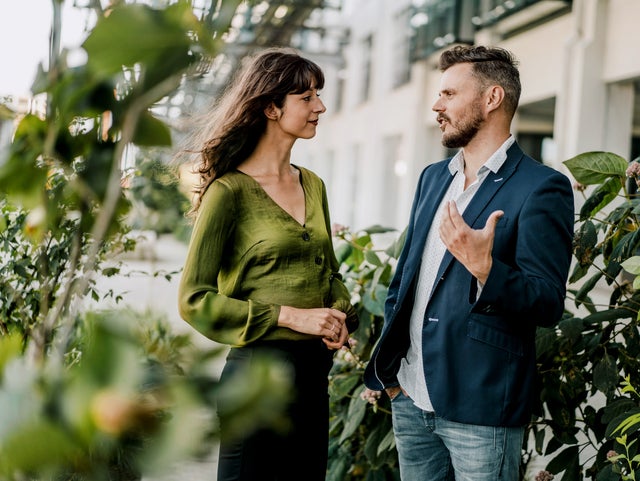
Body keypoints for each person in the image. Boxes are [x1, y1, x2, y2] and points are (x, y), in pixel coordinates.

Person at [363, 45, 574, 480]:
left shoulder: (542, 187)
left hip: (481, 409)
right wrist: (394, 374)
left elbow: (548, 302)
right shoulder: (432, 177)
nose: (437, 106)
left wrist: (487, 269)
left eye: (449, 94)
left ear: (491, 98)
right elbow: (406, 278)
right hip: (410, 395)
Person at [177, 48, 358, 481]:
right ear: (271, 107)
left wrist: (338, 313)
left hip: (314, 374)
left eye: (318, 95)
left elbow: (328, 271)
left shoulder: (312, 185)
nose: (321, 107)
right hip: (256, 376)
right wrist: (293, 316)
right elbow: (193, 299)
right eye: (307, 97)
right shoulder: (229, 192)